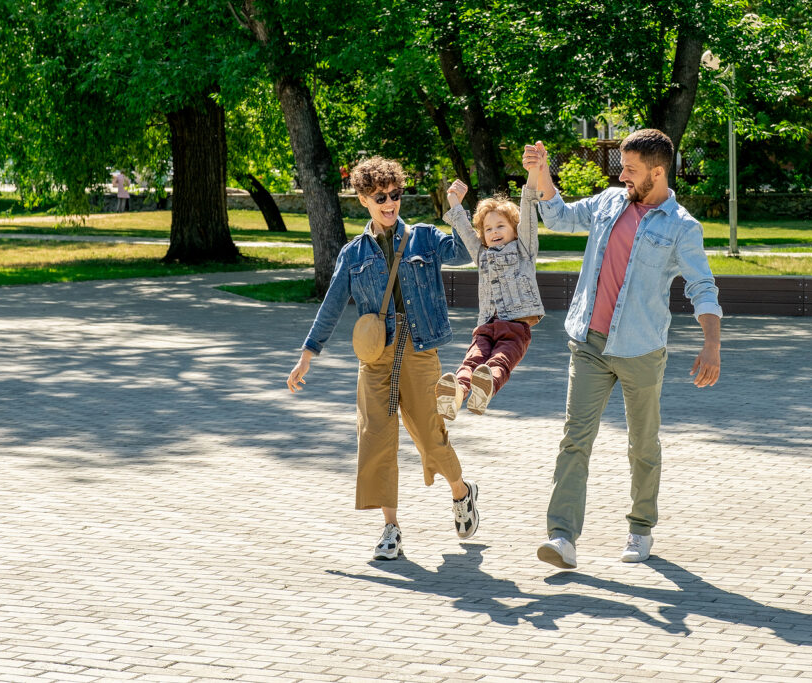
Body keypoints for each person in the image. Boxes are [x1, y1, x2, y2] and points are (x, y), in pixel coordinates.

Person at [523, 130, 723, 569]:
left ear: (657, 171)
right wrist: (541, 175)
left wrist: (711, 344)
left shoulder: (681, 226)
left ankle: (640, 527)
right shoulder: (609, 202)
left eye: (630, 169)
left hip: (640, 350)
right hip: (589, 344)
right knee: (575, 439)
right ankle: (562, 537)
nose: (621, 174)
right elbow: (557, 217)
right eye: (622, 166)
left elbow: (702, 286)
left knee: (643, 444)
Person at [286, 156, 481, 561]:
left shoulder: (425, 237)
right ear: (363, 199)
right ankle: (390, 529)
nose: (390, 203)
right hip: (375, 354)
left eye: (395, 195)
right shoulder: (353, 253)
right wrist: (308, 354)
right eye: (380, 197)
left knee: (430, 435)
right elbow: (333, 304)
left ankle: (461, 491)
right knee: (375, 437)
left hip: (418, 345)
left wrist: (458, 208)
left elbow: (469, 251)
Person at [436, 173, 545, 420]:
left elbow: (528, 212)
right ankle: (457, 393)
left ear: (515, 230)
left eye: (500, 226)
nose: (494, 232)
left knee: (499, 362)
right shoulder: (482, 254)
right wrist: (454, 201)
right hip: (485, 325)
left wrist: (532, 175)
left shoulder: (524, 249)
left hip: (515, 326)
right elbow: (464, 231)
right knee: (472, 361)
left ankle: (484, 390)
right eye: (488, 229)